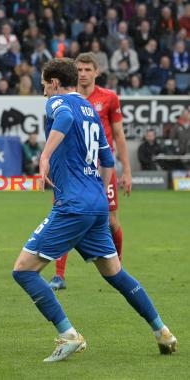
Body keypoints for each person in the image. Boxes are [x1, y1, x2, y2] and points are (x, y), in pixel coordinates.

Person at [12, 58, 177, 362]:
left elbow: (62, 119)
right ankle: (162, 331)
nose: (43, 90)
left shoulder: (58, 102)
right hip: (96, 204)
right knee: (114, 273)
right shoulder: (90, 110)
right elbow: (108, 160)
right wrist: (97, 193)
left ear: (55, 83)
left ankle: (69, 335)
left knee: (23, 270)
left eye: (44, 84)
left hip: (73, 205)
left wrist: (45, 156)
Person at [48, 52, 133, 291]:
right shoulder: (65, 98)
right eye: (80, 70)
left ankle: (118, 268)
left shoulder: (109, 98)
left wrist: (126, 170)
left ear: (97, 72)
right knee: (63, 213)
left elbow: (118, 135)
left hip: (102, 168)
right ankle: (59, 275)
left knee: (111, 220)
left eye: (88, 69)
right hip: (73, 168)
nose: (83, 74)